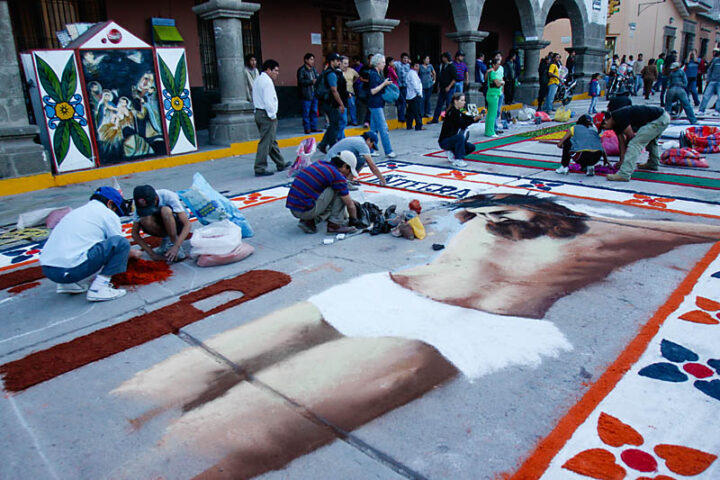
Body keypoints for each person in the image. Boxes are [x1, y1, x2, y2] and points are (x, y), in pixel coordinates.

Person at [117, 192, 720, 480]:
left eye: (528, 216)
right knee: (176, 382)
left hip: (470, 328)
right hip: (382, 291)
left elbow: (667, 230)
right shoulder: (478, 216)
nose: (507, 221)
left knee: (234, 432)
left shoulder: (592, 237)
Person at [39, 186, 140, 302]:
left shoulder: (77, 212)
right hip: (70, 271)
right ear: (110, 204)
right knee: (121, 243)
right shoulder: (107, 214)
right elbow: (119, 245)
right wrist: (134, 253)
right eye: (116, 209)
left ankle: (66, 284)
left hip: (49, 270)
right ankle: (99, 289)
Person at [286, 151, 362, 234]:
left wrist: (350, 201)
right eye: (349, 171)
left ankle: (309, 222)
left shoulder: (321, 164)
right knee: (339, 191)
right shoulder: (337, 176)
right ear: (344, 166)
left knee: (338, 194)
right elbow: (349, 205)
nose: (348, 175)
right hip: (305, 210)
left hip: (295, 208)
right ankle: (334, 226)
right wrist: (354, 220)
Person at [596, 105, 670, 181]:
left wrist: (624, 162)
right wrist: (622, 161)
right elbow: (621, 142)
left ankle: (624, 174)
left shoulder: (619, 116)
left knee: (634, 144)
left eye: (603, 127)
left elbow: (631, 137)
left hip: (659, 119)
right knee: (651, 141)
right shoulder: (614, 123)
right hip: (661, 117)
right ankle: (653, 164)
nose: (605, 129)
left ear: (606, 121)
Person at [131, 185, 190, 263]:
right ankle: (167, 239)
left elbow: (187, 224)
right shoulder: (138, 203)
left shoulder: (167, 195)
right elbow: (134, 234)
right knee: (144, 219)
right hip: (160, 225)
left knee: (166, 211)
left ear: (156, 198)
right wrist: (152, 254)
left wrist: (176, 246)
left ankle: (173, 241)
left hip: (178, 224)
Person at [253, 59, 288, 176]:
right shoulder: (267, 82)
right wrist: (272, 115)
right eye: (276, 71)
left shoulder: (258, 79)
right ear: (268, 70)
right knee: (266, 142)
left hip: (259, 112)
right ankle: (260, 167)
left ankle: (280, 163)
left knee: (271, 140)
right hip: (266, 114)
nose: (277, 73)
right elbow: (269, 101)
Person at [438, 92, 482, 168]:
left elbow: (468, 118)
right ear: (455, 101)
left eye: (464, 100)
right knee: (460, 137)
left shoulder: (461, 110)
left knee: (471, 147)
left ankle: (452, 152)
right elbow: (462, 124)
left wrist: (476, 118)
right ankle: (458, 159)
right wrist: (474, 119)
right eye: (462, 100)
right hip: (445, 140)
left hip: (454, 138)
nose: (464, 102)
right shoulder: (452, 112)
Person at [317, 53, 346, 154]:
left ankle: (323, 144)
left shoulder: (329, 73)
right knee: (335, 125)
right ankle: (333, 148)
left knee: (333, 125)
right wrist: (341, 104)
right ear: (331, 62)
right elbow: (334, 90)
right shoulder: (331, 74)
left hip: (328, 103)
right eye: (337, 60)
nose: (339, 62)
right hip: (330, 103)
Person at [367, 53, 395, 158]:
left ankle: (369, 149)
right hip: (375, 104)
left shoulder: (378, 73)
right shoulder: (373, 74)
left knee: (373, 129)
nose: (384, 64)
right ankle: (388, 150)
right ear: (377, 63)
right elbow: (373, 91)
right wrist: (384, 84)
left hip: (377, 103)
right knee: (383, 128)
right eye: (383, 62)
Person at [430, 52, 457, 123]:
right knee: (439, 104)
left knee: (449, 104)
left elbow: (454, 79)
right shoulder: (443, 66)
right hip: (442, 88)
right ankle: (435, 118)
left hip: (449, 88)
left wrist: (449, 87)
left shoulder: (452, 67)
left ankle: (449, 118)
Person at [297, 53, 319, 135]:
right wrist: (311, 82)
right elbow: (300, 81)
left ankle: (314, 127)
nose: (313, 61)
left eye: (313, 59)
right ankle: (307, 128)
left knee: (314, 111)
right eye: (311, 59)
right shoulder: (302, 70)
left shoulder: (314, 69)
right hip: (306, 94)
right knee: (306, 112)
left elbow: (317, 77)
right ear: (306, 60)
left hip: (314, 92)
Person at [698, 48, 720, 116]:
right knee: (706, 96)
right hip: (712, 81)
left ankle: (717, 110)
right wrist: (708, 79)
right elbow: (710, 69)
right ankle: (701, 110)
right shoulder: (715, 61)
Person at [485, 58, 504, 138]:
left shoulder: (490, 72)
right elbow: (497, 84)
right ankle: (491, 132)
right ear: (493, 65)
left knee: (489, 114)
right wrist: (502, 82)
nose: (498, 66)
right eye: (497, 64)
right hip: (493, 95)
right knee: (492, 114)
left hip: (491, 94)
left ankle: (488, 131)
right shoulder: (492, 73)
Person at [405, 59, 424, 131]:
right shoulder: (412, 74)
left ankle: (409, 125)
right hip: (414, 95)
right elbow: (415, 85)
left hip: (410, 95)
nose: (418, 67)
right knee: (417, 111)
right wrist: (419, 93)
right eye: (416, 66)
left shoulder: (412, 73)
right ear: (412, 66)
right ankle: (419, 125)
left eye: (418, 66)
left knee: (410, 111)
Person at [342, 56, 359, 126]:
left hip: (351, 91)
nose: (346, 65)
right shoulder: (339, 72)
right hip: (342, 93)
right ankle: (344, 122)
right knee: (344, 108)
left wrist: (353, 82)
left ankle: (354, 121)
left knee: (352, 106)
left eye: (347, 63)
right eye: (345, 63)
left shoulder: (351, 70)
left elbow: (358, 76)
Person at [394, 53, 410, 123]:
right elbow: (391, 64)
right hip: (398, 86)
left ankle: (403, 116)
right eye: (404, 58)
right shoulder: (397, 64)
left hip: (405, 86)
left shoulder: (408, 66)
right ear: (401, 59)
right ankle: (401, 117)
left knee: (405, 102)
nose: (405, 60)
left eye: (407, 58)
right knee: (401, 102)